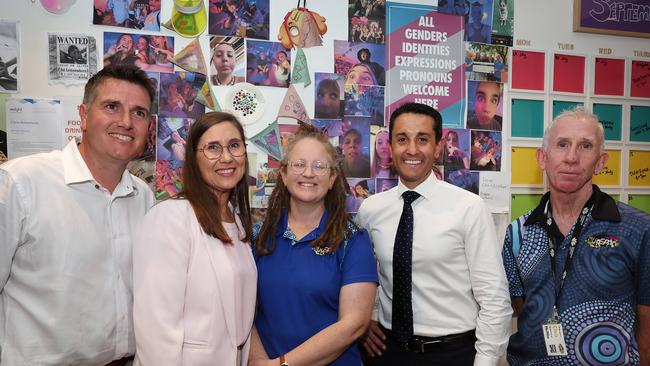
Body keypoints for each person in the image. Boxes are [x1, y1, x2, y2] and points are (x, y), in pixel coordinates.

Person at [0, 64, 156, 365]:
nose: (126, 122)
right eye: (112, 106)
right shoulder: (20, 183)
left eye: (139, 113)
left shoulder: (143, 197)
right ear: (84, 116)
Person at [357, 102, 511, 366]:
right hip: (387, 352)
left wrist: (485, 361)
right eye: (402, 139)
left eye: (423, 139)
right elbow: (363, 276)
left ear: (439, 146)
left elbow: (494, 298)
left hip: (451, 354)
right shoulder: (371, 209)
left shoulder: (469, 208)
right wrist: (366, 319)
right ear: (391, 145)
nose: (412, 150)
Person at [502, 108, 650, 366]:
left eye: (585, 146)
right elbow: (520, 307)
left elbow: (647, 322)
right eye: (562, 144)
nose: (572, 157)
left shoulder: (637, 229)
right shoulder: (517, 232)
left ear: (601, 162)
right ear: (542, 157)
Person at [249, 123, 378, 366]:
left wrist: (282, 365)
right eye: (299, 164)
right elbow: (242, 311)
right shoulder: (258, 237)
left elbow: (354, 324)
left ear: (331, 179)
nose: (308, 173)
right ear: (284, 175)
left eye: (319, 166)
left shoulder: (352, 240)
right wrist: (258, 361)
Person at [133, 112, 256, 365]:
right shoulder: (171, 217)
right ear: (193, 158)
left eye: (234, 145)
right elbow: (156, 330)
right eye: (212, 148)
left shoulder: (237, 220)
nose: (226, 157)